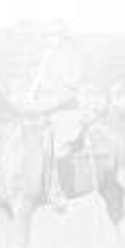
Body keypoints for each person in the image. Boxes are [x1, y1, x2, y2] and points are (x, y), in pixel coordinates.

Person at [25, 33, 86, 213]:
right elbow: (37, 86)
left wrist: (49, 97)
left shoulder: (72, 58)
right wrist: (33, 95)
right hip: (45, 111)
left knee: (58, 149)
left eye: (56, 36)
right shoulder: (46, 58)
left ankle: (58, 193)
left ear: (63, 38)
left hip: (66, 112)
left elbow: (71, 89)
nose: (52, 40)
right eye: (50, 36)